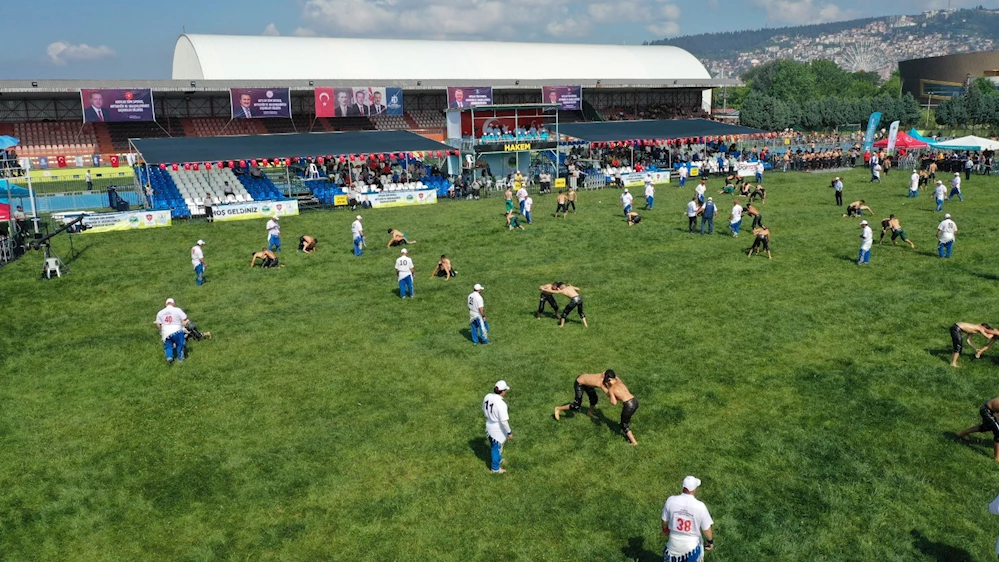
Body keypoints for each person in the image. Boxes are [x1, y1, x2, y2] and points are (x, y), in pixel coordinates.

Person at [661, 476, 715, 562]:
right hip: (691, 548)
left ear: (683, 487)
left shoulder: (671, 501)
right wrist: (710, 542)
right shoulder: (700, 506)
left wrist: (665, 530)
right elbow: (706, 529)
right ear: (694, 490)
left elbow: (664, 520)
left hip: (673, 545)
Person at [602, 370, 639, 445]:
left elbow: (614, 402)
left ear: (608, 380)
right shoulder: (620, 382)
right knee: (625, 416)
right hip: (635, 401)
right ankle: (625, 423)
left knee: (624, 425)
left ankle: (634, 442)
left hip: (628, 405)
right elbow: (616, 378)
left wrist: (608, 392)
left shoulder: (611, 389)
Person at [482, 380, 511, 472]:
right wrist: (509, 432)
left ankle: (498, 459)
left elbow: (483, 408)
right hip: (496, 429)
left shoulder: (488, 396)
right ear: (502, 391)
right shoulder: (501, 404)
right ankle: (495, 468)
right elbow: (504, 421)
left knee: (494, 446)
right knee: (496, 449)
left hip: (488, 424)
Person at [154, 298, 188, 364]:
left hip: (166, 332)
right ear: (173, 304)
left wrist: (161, 330)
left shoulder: (160, 312)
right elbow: (185, 318)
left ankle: (169, 357)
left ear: (166, 304)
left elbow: (159, 324)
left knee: (168, 346)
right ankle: (180, 359)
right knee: (179, 345)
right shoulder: (177, 310)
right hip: (177, 330)